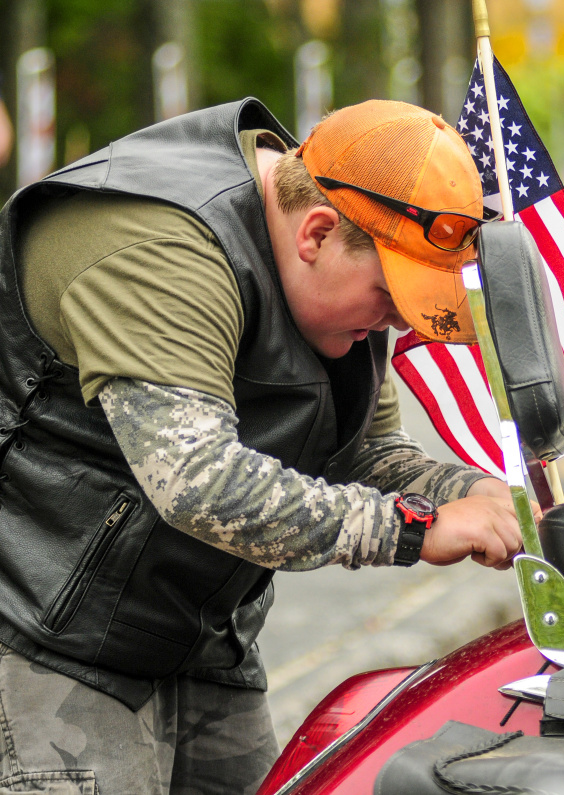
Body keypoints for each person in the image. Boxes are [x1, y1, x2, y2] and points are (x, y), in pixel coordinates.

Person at [0, 98, 524, 794]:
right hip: (44, 633)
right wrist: (415, 527)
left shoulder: (342, 298)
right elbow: (197, 480)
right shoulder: (163, 246)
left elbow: (360, 455)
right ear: (316, 234)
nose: (399, 320)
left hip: (201, 634)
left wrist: (471, 494)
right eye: (391, 294)